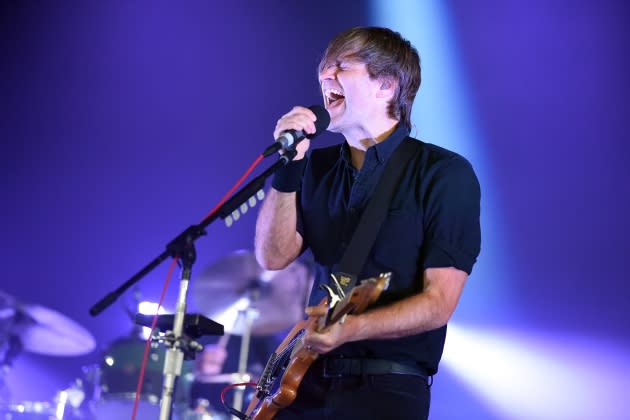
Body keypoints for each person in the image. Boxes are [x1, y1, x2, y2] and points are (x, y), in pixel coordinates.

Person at [254, 26, 481, 419]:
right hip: (304, 382)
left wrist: (351, 330)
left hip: (386, 388)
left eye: (342, 66)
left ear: (387, 87)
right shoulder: (317, 167)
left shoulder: (443, 173)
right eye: (324, 68)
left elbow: (439, 303)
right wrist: (289, 169)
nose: (326, 76)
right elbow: (272, 257)